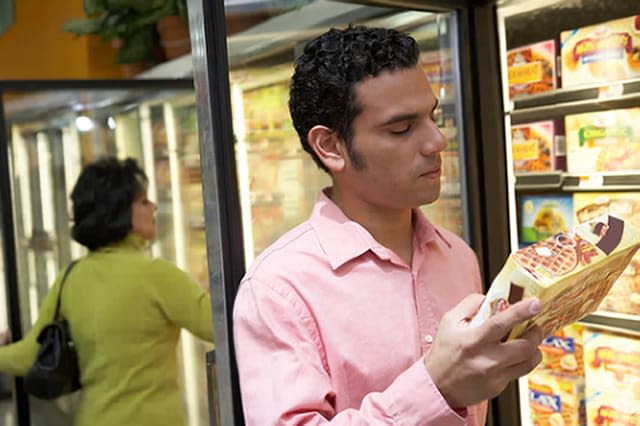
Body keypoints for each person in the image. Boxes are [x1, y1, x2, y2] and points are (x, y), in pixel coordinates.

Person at [233, 26, 544, 425]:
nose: (436, 141)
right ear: (330, 146)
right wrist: (437, 388)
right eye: (401, 128)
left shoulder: (457, 256)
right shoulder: (279, 289)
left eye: (434, 116)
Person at [0, 157, 214, 426]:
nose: (154, 206)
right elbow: (223, 327)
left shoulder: (70, 278)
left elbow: (26, 357)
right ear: (120, 211)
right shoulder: (158, 276)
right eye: (144, 201)